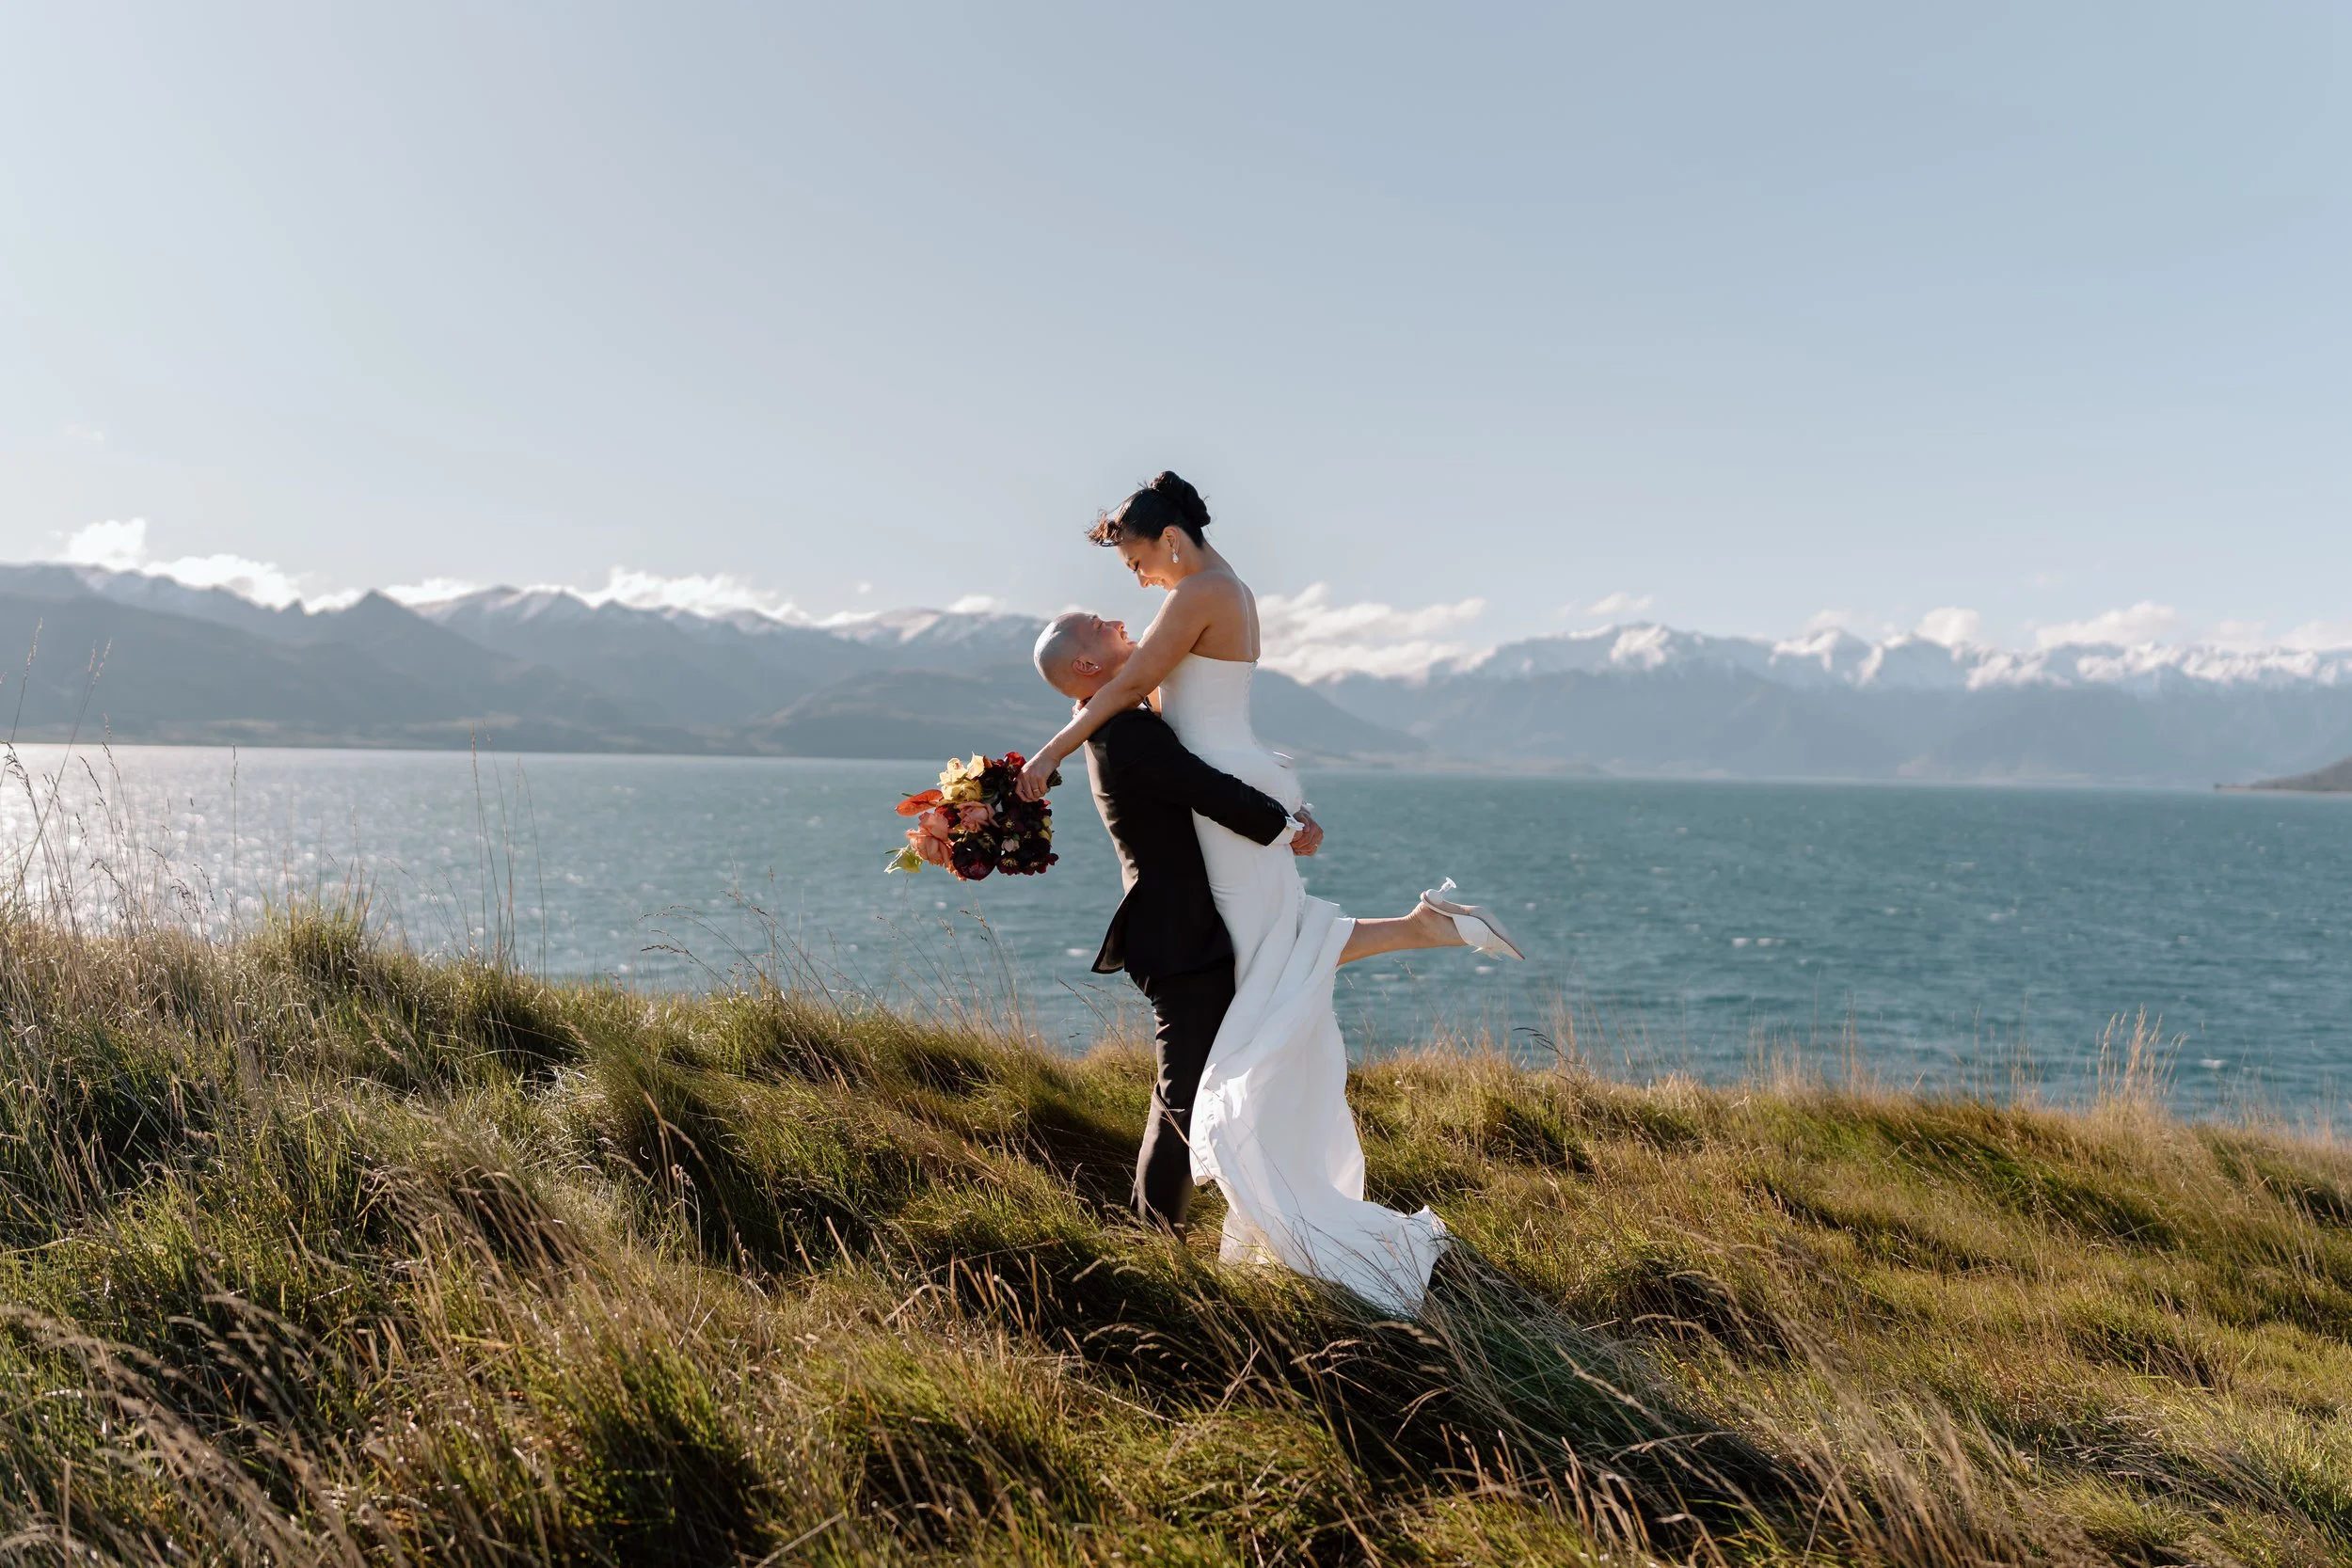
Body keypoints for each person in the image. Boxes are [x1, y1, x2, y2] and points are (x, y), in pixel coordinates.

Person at [1023, 474, 1522, 1315]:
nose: (1137, 581)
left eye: (1139, 559)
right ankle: (1422, 925)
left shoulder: (1195, 593)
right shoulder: (1222, 591)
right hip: (1236, 770)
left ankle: (1419, 933)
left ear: (1171, 542)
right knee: (1277, 943)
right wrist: (1281, 801)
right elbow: (1168, 704)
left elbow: (1118, 690)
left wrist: (1048, 755)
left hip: (1225, 792)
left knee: (1270, 955)